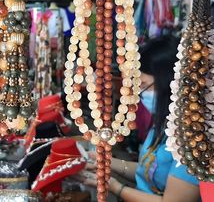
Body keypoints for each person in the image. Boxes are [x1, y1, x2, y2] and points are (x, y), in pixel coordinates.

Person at [77, 35, 200, 202]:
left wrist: (115, 187)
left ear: (169, 83)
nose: (140, 94)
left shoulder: (193, 140)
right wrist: (105, 163)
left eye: (144, 85)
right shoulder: (165, 123)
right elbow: (148, 170)